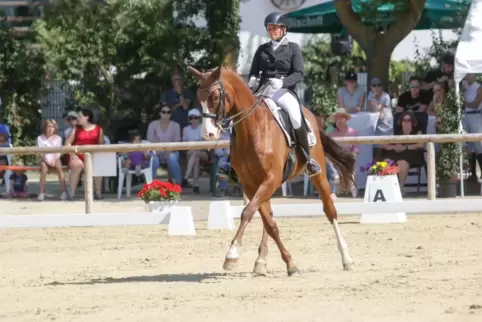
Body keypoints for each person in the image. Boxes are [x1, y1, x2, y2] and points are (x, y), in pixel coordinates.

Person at [217, 11, 321, 182]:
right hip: (262, 89)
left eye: (275, 28)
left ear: (284, 29)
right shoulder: (262, 49)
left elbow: (299, 73)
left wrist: (283, 82)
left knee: (295, 116)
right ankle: (231, 163)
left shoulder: (293, 48)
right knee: (240, 119)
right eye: (269, 28)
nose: (271, 31)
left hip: (283, 90)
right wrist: (251, 81)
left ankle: (307, 159)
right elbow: (254, 72)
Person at [65, 108, 105, 200]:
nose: (77, 118)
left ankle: (98, 192)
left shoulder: (99, 129)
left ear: (87, 117)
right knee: (77, 165)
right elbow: (67, 143)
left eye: (79, 116)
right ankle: (71, 193)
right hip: (77, 155)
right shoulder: (76, 128)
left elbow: (101, 145)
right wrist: (72, 154)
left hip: (93, 155)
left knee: (98, 164)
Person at [37, 120, 68, 201]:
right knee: (43, 169)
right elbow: (40, 152)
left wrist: (55, 160)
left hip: (55, 158)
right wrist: (46, 161)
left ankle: (64, 192)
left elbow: (59, 151)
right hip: (45, 159)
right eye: (49, 126)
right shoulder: (40, 138)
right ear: (45, 127)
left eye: (53, 127)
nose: (51, 129)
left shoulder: (58, 138)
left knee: (59, 167)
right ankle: (41, 193)